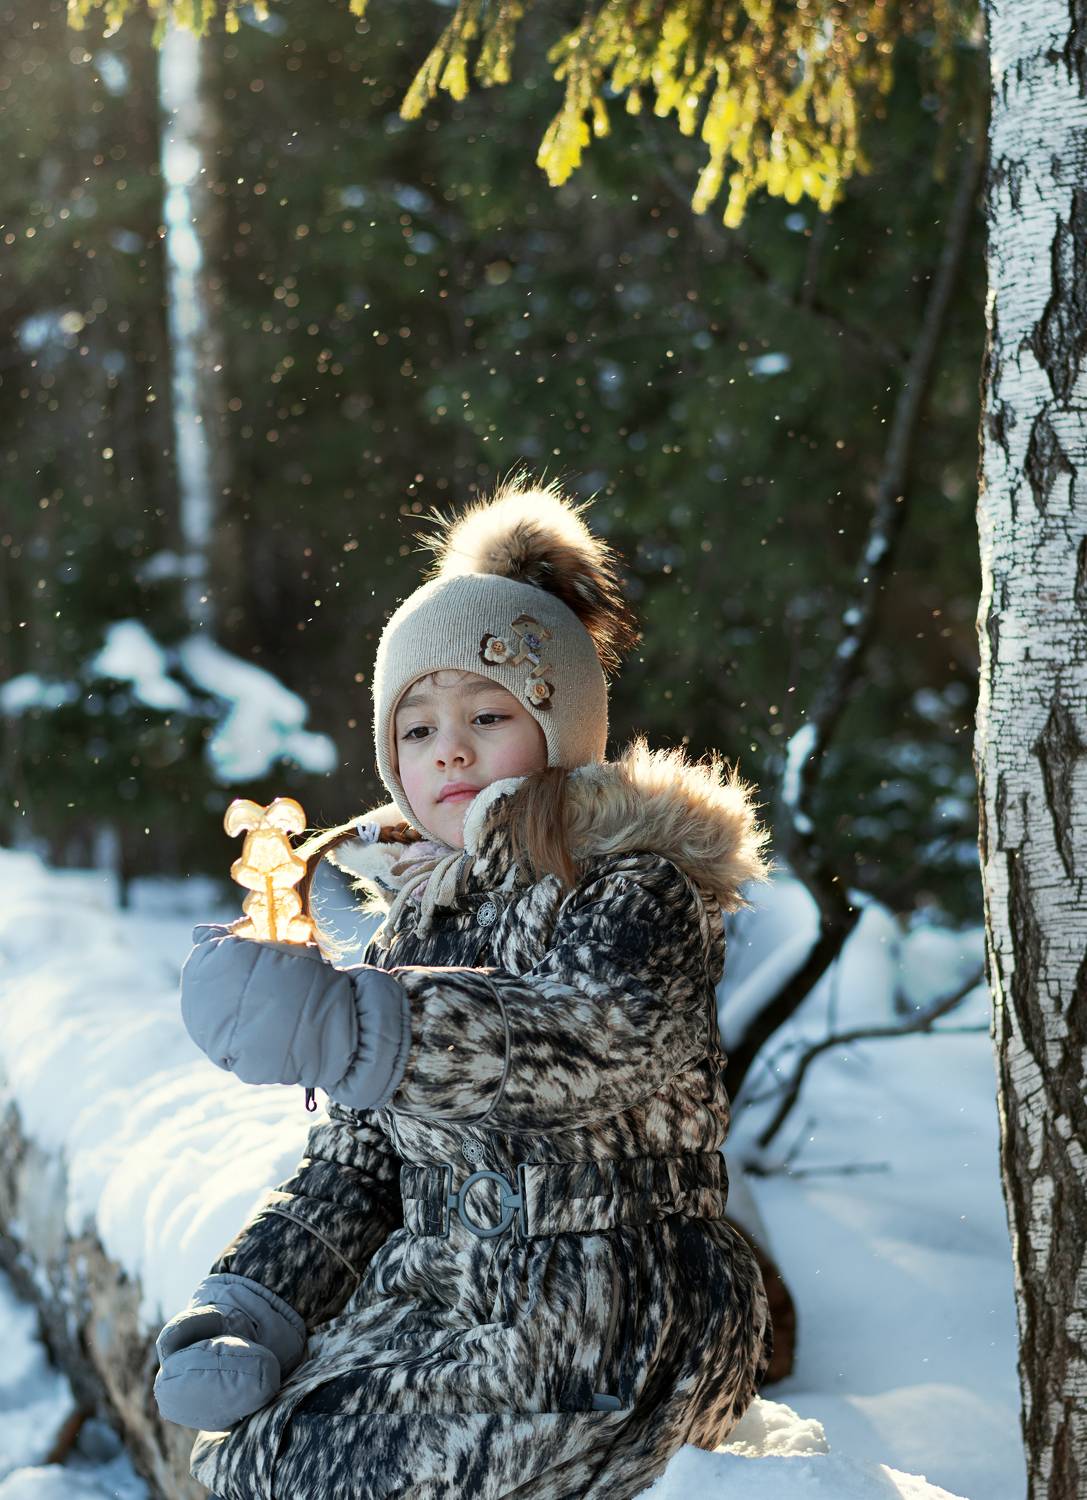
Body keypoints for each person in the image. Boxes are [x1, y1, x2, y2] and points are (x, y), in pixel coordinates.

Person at [155, 474, 776, 1500]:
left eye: (487, 714)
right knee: (248, 1454)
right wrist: (252, 1300)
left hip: (613, 1313)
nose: (448, 747)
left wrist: (361, 1026)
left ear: (561, 728)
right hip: (448, 1297)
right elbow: (358, 1166)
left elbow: (591, 1041)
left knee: (324, 1476)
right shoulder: (415, 920)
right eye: (416, 729)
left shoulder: (632, 886)